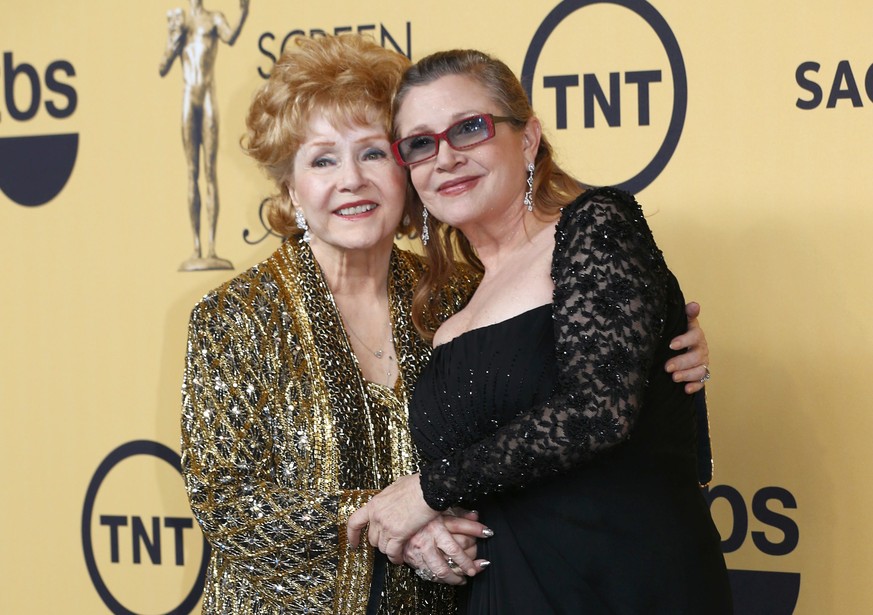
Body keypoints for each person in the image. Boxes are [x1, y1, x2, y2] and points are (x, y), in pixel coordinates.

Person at [180, 35, 711, 614]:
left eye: (374, 153)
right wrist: (395, 523)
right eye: (323, 159)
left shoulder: (454, 295)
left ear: (405, 172)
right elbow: (225, 502)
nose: (351, 179)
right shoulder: (235, 316)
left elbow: (580, 396)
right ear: (291, 187)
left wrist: (661, 349)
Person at [347, 48, 732, 614]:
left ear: (527, 139)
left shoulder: (594, 226)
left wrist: (427, 492)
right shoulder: (449, 312)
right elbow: (485, 476)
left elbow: (600, 410)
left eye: (469, 129)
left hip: (627, 585)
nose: (445, 157)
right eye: (421, 143)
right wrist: (437, 526)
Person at [159, 0, 249, 271]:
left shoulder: (214, 19)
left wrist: (243, 12)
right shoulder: (180, 24)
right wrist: (174, 41)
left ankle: (211, 247)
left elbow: (231, 37)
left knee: (210, 172)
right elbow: (163, 67)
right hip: (189, 98)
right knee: (192, 172)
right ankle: (196, 247)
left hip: (208, 96)